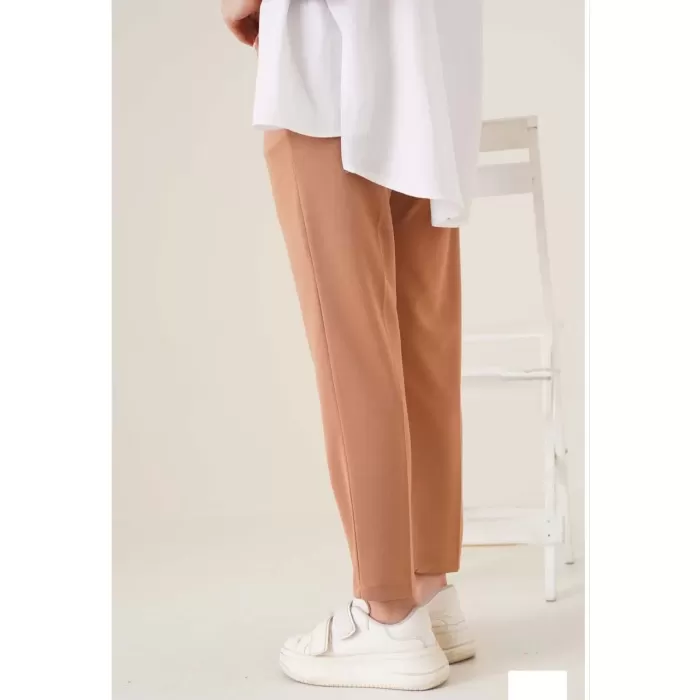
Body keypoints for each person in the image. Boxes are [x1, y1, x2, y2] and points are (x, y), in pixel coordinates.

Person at [223, 0, 483, 690]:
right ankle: (428, 590)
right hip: (430, 65)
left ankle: (388, 616)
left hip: (330, 60)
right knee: (422, 339)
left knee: (352, 350)